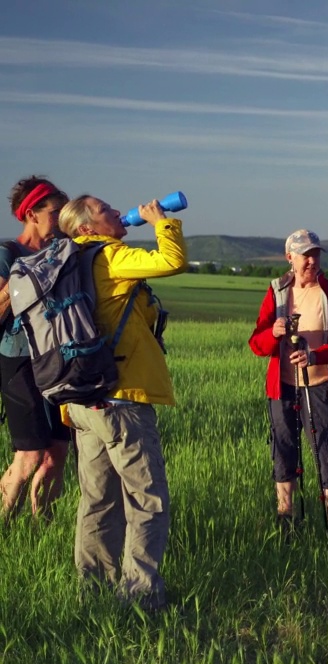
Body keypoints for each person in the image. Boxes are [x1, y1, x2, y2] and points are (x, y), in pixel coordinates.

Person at [59, 194, 186, 612]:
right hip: (122, 399)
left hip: (81, 400)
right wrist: (160, 221)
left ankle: (92, 591)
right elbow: (171, 262)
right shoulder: (109, 257)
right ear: (86, 228)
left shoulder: (65, 263)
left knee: (98, 499)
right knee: (147, 499)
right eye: (105, 210)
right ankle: (141, 597)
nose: (117, 211)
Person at [248, 229, 328, 539]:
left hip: (321, 385)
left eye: (316, 254)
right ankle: (286, 522)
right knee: (283, 452)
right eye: (305, 255)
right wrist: (273, 333)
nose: (312, 260)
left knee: (327, 452)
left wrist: (316, 356)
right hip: (282, 387)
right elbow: (256, 344)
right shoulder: (277, 292)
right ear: (290, 258)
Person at [0, 177, 73, 521]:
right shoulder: (8, 254)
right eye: (56, 212)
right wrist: (22, 291)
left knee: (57, 452)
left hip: (58, 361)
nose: (62, 219)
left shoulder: (63, 250)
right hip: (19, 360)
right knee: (29, 455)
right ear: (32, 213)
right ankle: (5, 521)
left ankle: (43, 525)